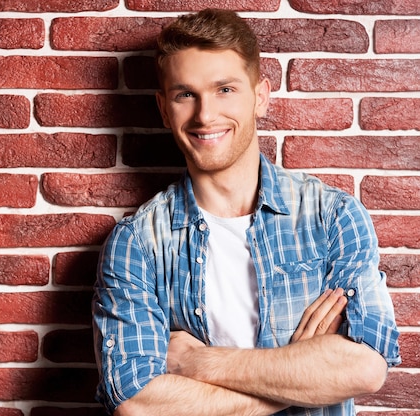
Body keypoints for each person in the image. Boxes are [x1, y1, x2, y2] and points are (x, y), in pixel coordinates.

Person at [91, 8, 400, 416]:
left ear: (260, 95)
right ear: (164, 109)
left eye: (225, 90)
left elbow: (363, 367)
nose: (205, 115)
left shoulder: (333, 216)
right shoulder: (137, 243)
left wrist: (195, 362)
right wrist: (303, 375)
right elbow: (138, 404)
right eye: (186, 94)